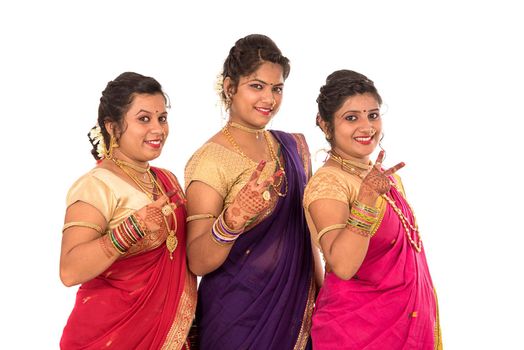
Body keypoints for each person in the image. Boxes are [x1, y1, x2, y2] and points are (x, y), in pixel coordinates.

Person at [184, 34, 321, 350]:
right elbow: (197, 261)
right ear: (230, 87)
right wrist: (231, 221)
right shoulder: (210, 159)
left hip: (296, 313)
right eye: (257, 86)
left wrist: (322, 293)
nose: (269, 99)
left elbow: (306, 236)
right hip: (237, 320)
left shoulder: (292, 146)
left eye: (277, 88)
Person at [303, 69, 442, 349]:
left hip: (407, 326)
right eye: (351, 117)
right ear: (326, 125)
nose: (367, 127)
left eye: (373, 115)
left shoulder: (382, 178)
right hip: (356, 333)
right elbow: (342, 265)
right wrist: (366, 199)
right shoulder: (329, 183)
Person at [59, 72, 197, 349]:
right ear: (112, 127)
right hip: (110, 335)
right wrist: (130, 230)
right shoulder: (96, 186)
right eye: (143, 119)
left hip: (167, 334)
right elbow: (70, 270)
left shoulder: (167, 180)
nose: (158, 129)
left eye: (162, 118)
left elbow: (185, 259)